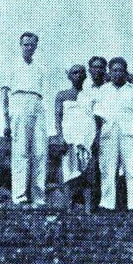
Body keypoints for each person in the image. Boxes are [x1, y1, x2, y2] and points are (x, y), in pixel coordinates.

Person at [93, 57, 133, 211]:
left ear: (125, 72)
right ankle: (107, 203)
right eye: (114, 70)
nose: (118, 73)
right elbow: (97, 114)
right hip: (109, 133)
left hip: (129, 133)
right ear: (109, 72)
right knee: (107, 168)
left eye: (121, 70)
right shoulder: (103, 90)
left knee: (132, 168)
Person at [2, 32, 47, 207]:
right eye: (25, 44)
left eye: (32, 45)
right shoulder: (12, 65)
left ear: (36, 46)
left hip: (37, 103)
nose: (29, 48)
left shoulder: (39, 68)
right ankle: (20, 196)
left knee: (40, 151)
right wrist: (6, 121)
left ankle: (39, 197)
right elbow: (4, 94)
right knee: (21, 151)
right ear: (21, 45)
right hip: (19, 103)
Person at [55, 65, 94, 210]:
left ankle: (87, 208)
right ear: (69, 76)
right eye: (74, 72)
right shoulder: (62, 95)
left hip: (85, 137)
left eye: (81, 73)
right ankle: (68, 206)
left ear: (85, 76)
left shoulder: (89, 95)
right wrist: (60, 136)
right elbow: (58, 117)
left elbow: (93, 117)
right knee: (68, 171)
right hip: (69, 137)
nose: (78, 75)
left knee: (86, 172)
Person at [77, 55, 108, 210]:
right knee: (90, 169)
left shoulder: (109, 89)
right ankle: (91, 204)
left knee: (108, 168)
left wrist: (98, 135)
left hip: (107, 133)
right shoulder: (85, 92)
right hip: (88, 134)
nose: (98, 70)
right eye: (94, 67)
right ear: (89, 70)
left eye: (101, 67)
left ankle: (109, 203)